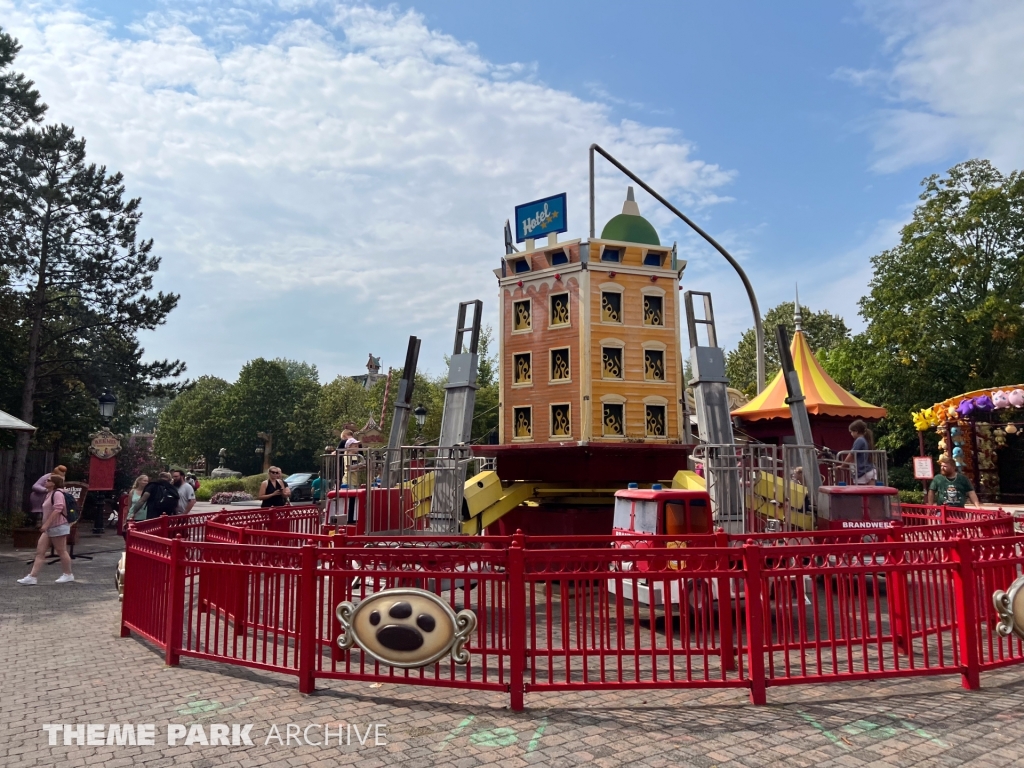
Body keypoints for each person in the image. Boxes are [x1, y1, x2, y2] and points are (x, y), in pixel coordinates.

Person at [18, 474, 74, 584]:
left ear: (54, 483)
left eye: (48, 480)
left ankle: (68, 574)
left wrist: (46, 524)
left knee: (61, 551)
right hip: (50, 528)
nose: (45, 482)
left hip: (58, 526)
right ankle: (32, 577)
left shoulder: (58, 493)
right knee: (40, 552)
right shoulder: (49, 493)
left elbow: (58, 509)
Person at [848, 420, 877, 485]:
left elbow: (851, 454)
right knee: (872, 493)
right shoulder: (866, 439)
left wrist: (843, 465)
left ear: (856, 431)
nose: (851, 434)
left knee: (861, 493)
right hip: (871, 469)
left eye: (852, 432)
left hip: (862, 471)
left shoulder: (859, 440)